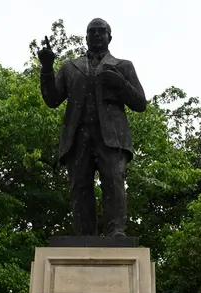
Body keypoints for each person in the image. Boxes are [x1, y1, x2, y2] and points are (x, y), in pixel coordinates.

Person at [38, 18, 146, 237]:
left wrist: (121, 84)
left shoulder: (123, 66)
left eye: (101, 31)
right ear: (86, 37)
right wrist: (47, 68)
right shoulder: (70, 67)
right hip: (78, 137)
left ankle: (116, 230)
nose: (97, 35)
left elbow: (140, 103)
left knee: (114, 182)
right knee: (79, 186)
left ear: (110, 37)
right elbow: (52, 99)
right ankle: (84, 234)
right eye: (92, 32)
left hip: (112, 138)